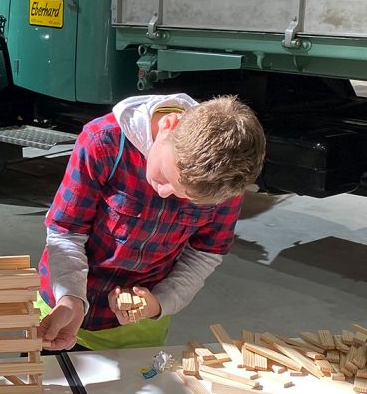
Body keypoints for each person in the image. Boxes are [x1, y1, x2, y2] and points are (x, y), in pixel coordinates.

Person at [37, 93, 266, 352]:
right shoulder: (104, 142)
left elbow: (205, 255)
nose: (165, 192)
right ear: (169, 124)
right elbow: (66, 233)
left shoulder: (224, 184)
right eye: (166, 176)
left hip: (137, 329)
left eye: (185, 196)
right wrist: (70, 299)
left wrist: (159, 303)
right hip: (61, 310)